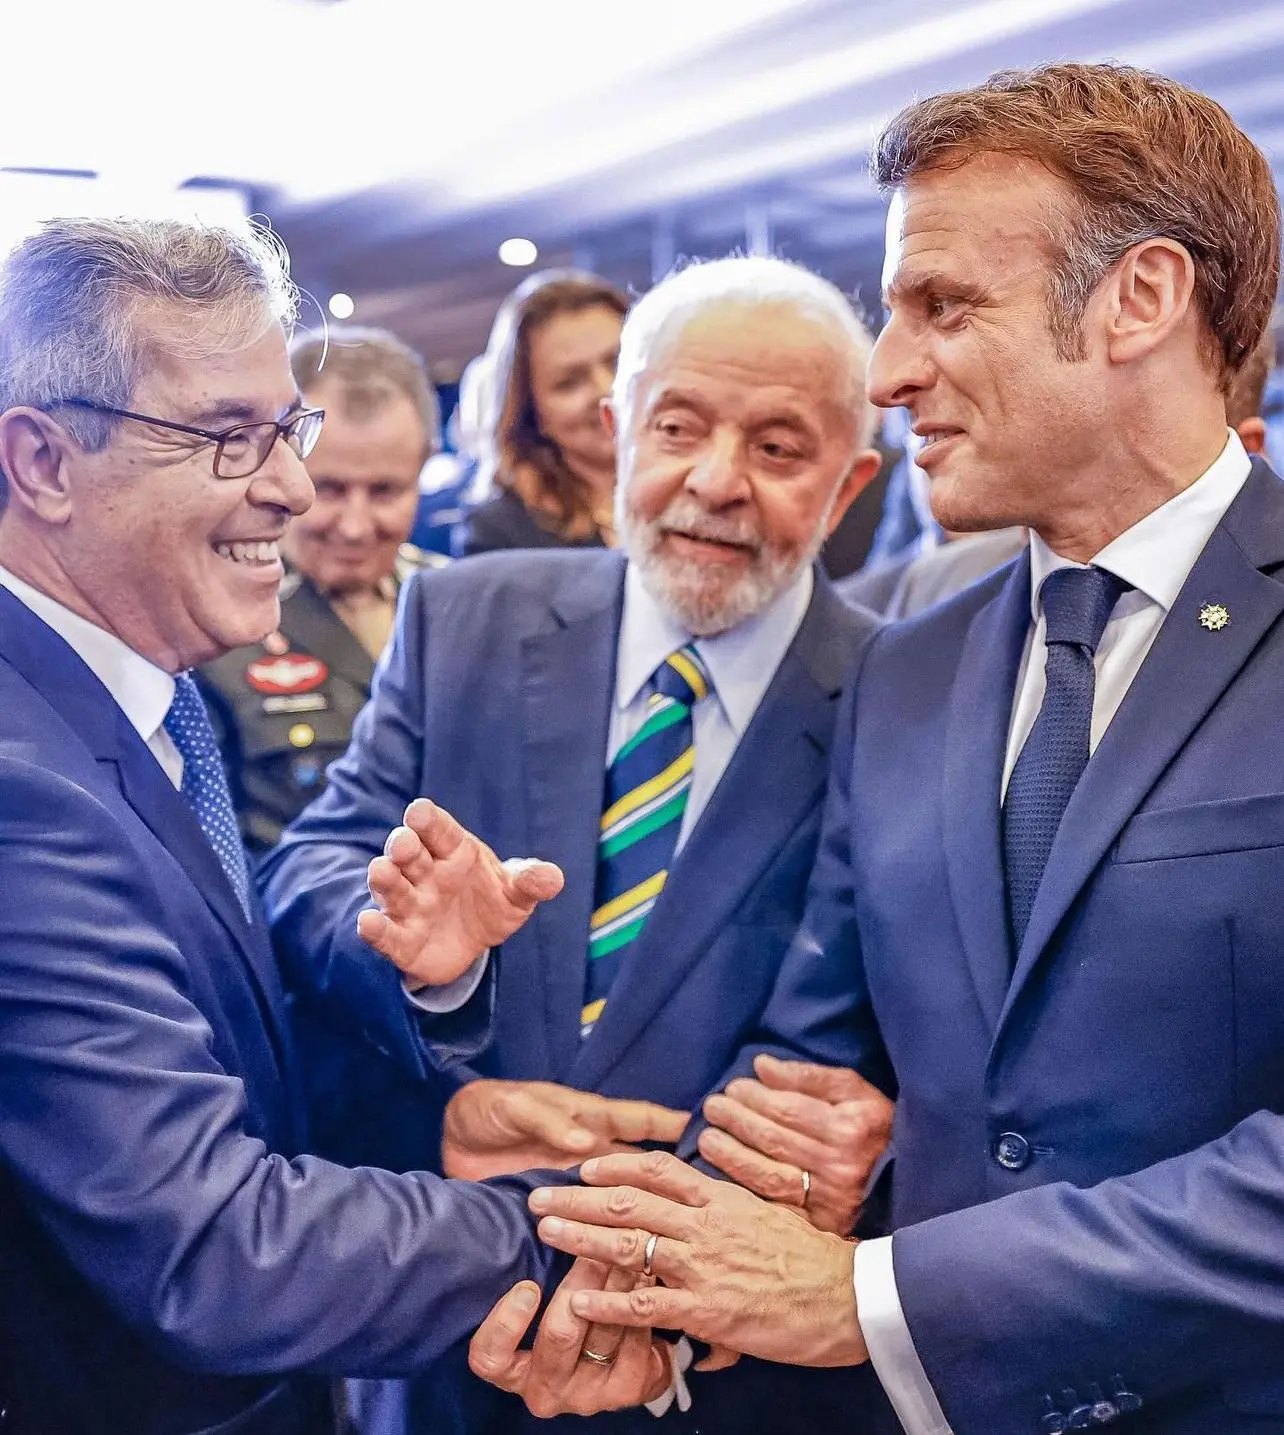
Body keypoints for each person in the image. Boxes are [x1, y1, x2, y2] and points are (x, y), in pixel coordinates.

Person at [516, 62, 1284, 1435]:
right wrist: (647, 1293)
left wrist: (878, 1299)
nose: (887, 373)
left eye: (944, 305)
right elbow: (815, 1066)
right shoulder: (907, 671)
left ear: (1141, 299)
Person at [0, 215, 616, 1435]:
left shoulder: (139, 699)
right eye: (227, 437)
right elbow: (214, 1247)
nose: (291, 485)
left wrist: (432, 1129)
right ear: (44, 462)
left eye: (287, 428)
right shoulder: (24, 786)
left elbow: (204, 1063)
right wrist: (594, 1240)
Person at [259, 255, 892, 1433]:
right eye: (678, 428)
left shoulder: (905, 693)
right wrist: (415, 948)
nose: (716, 481)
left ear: (850, 481)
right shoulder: (468, 615)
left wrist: (625, 1275)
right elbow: (312, 863)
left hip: (736, 1371)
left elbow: (872, 1048)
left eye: (778, 447)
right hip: (449, 1337)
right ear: (615, 434)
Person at [198, 325, 443, 857]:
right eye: (329, 489)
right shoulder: (215, 619)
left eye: (385, 491)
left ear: (424, 465)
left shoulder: (460, 605)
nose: (355, 527)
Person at [457, 270, 629, 555]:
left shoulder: (695, 487)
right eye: (569, 383)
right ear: (530, 412)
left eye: (618, 362)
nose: (606, 390)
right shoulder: (502, 532)